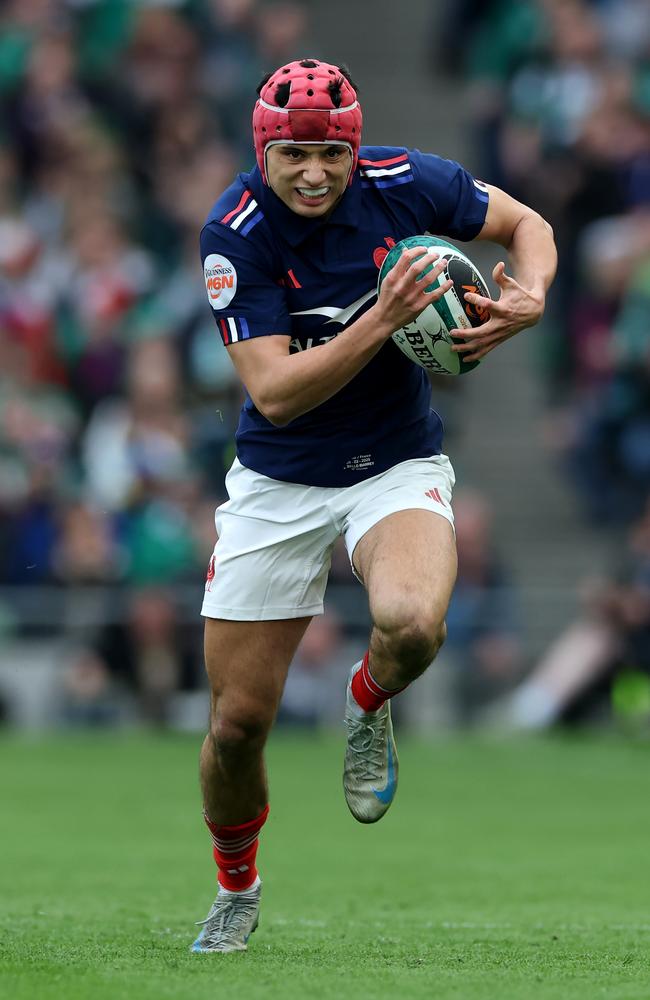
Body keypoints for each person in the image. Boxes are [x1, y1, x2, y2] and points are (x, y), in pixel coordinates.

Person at [192, 58, 557, 953]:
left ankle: (367, 704)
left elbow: (526, 222)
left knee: (413, 624)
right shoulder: (234, 233)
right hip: (280, 476)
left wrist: (532, 292)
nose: (314, 172)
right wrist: (384, 317)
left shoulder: (403, 180)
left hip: (394, 462)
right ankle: (236, 888)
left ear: (353, 148)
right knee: (237, 728)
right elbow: (275, 394)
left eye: (329, 153)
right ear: (263, 153)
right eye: (295, 157)